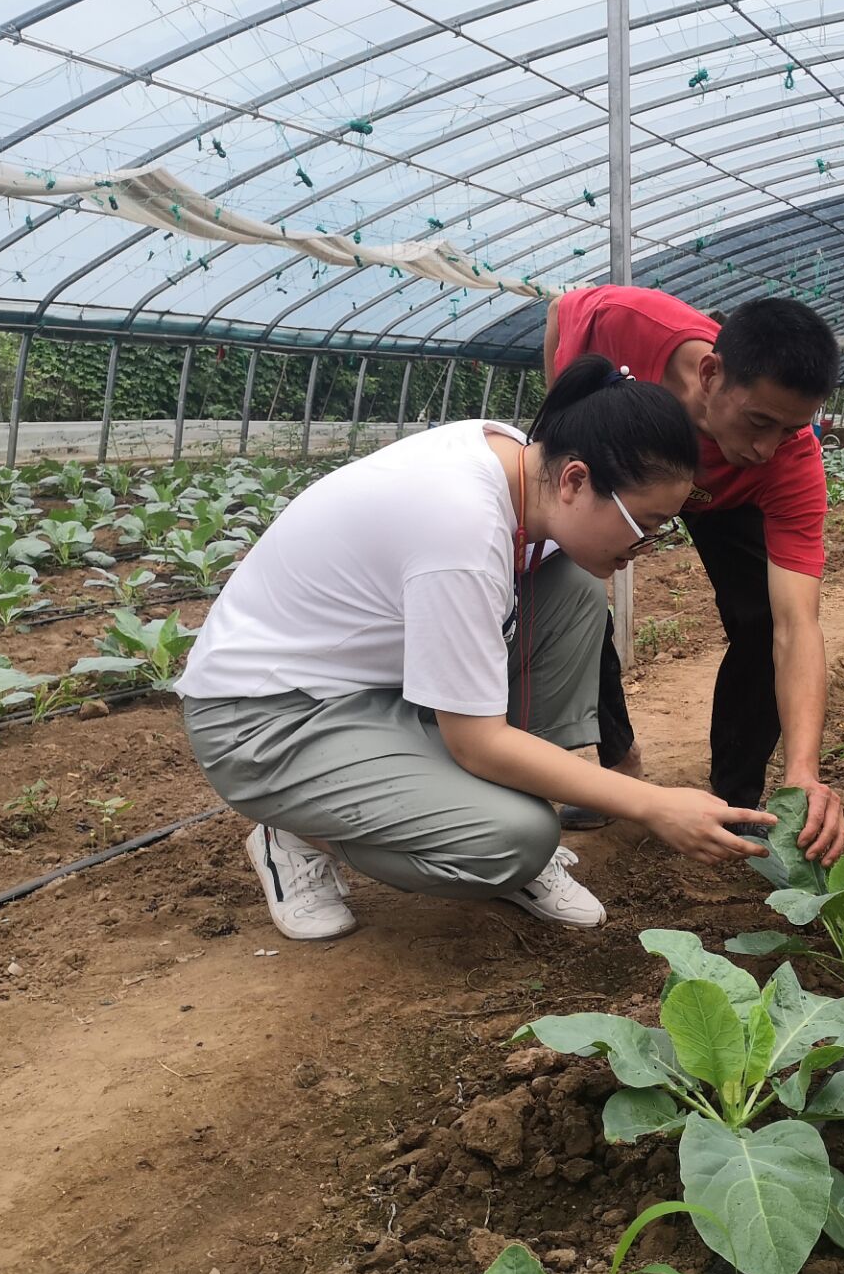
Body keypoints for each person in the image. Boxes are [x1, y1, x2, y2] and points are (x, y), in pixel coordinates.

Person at [175, 355, 774, 942]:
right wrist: (654, 805)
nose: (646, 543)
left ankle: (474, 806)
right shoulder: (460, 527)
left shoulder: (517, 461)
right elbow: (477, 741)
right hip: (266, 719)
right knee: (515, 840)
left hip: (367, 686)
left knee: (570, 588)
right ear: (575, 480)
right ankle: (296, 833)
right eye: (645, 522)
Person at [544, 288, 844, 864]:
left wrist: (804, 771)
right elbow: (562, 312)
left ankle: (735, 800)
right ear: (710, 374)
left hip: (730, 500)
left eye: (790, 429)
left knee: (764, 620)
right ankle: (619, 761)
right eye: (759, 421)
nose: (768, 447)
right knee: (576, 595)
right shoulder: (629, 324)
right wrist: (562, 426)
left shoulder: (787, 462)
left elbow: (797, 625)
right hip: (634, 476)